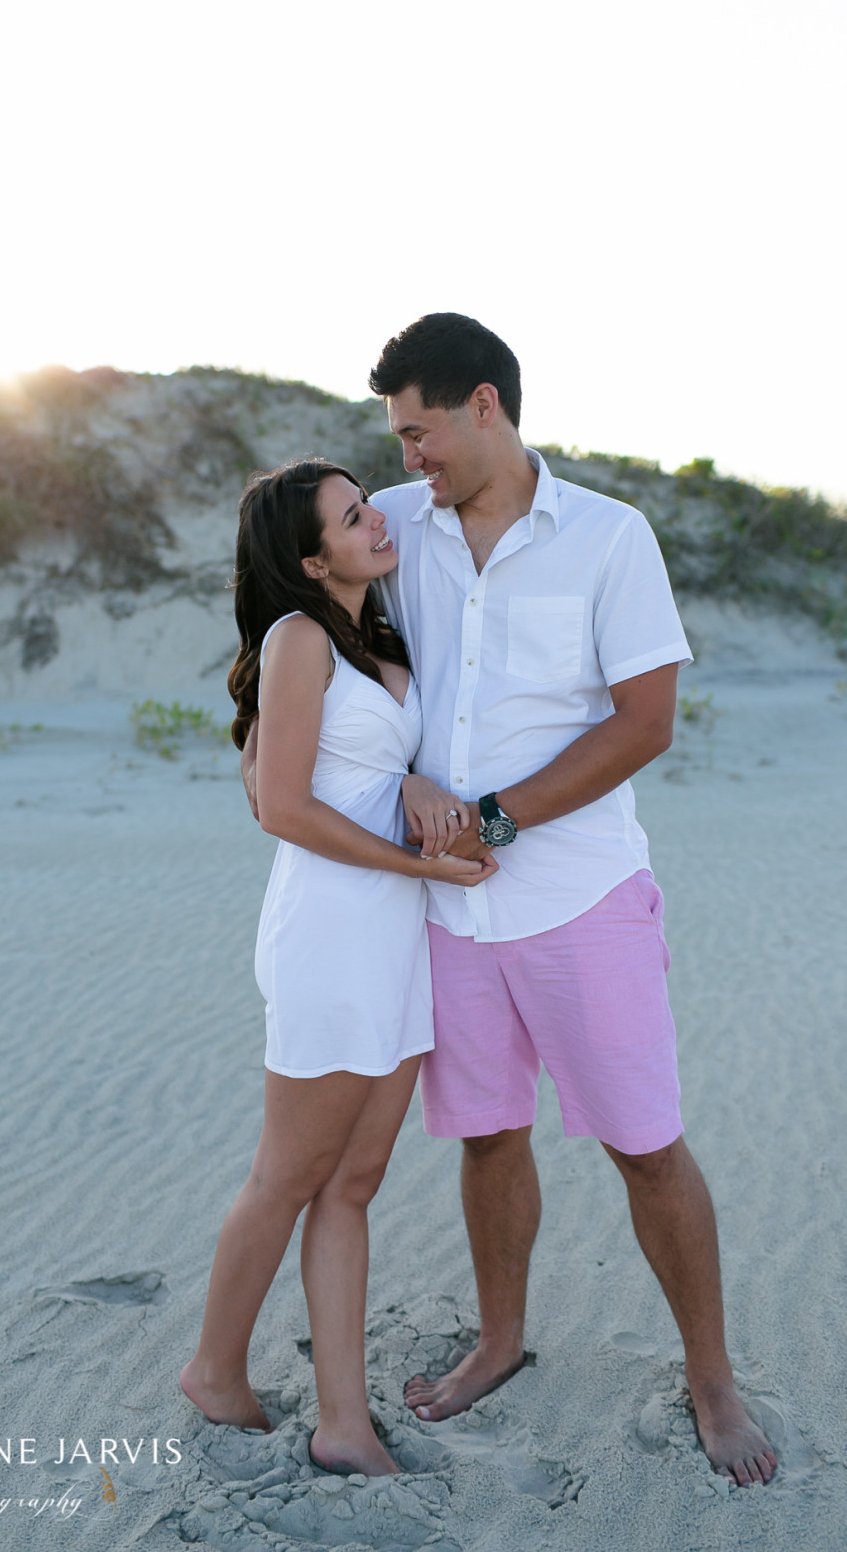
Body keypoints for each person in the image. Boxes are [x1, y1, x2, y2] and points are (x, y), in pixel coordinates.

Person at [244, 315, 777, 1488]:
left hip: (580, 898)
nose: (406, 457)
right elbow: (334, 674)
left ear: (482, 404)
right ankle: (499, 1339)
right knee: (488, 1135)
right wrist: (406, 782)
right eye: (398, 439)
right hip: (444, 915)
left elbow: (644, 724)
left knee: (645, 1147)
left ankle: (710, 1377)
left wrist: (490, 819)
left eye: (418, 431)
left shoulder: (608, 536)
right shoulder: (391, 528)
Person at [180, 457, 495, 1478]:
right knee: (286, 1175)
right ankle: (214, 1372)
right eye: (353, 518)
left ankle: (342, 1422)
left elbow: (357, 768)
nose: (375, 523)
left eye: (367, 506)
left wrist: (408, 789)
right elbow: (280, 804)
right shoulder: (298, 637)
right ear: (313, 561)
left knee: (353, 1182)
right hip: (330, 932)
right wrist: (416, 862)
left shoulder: (376, 635)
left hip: (396, 937)